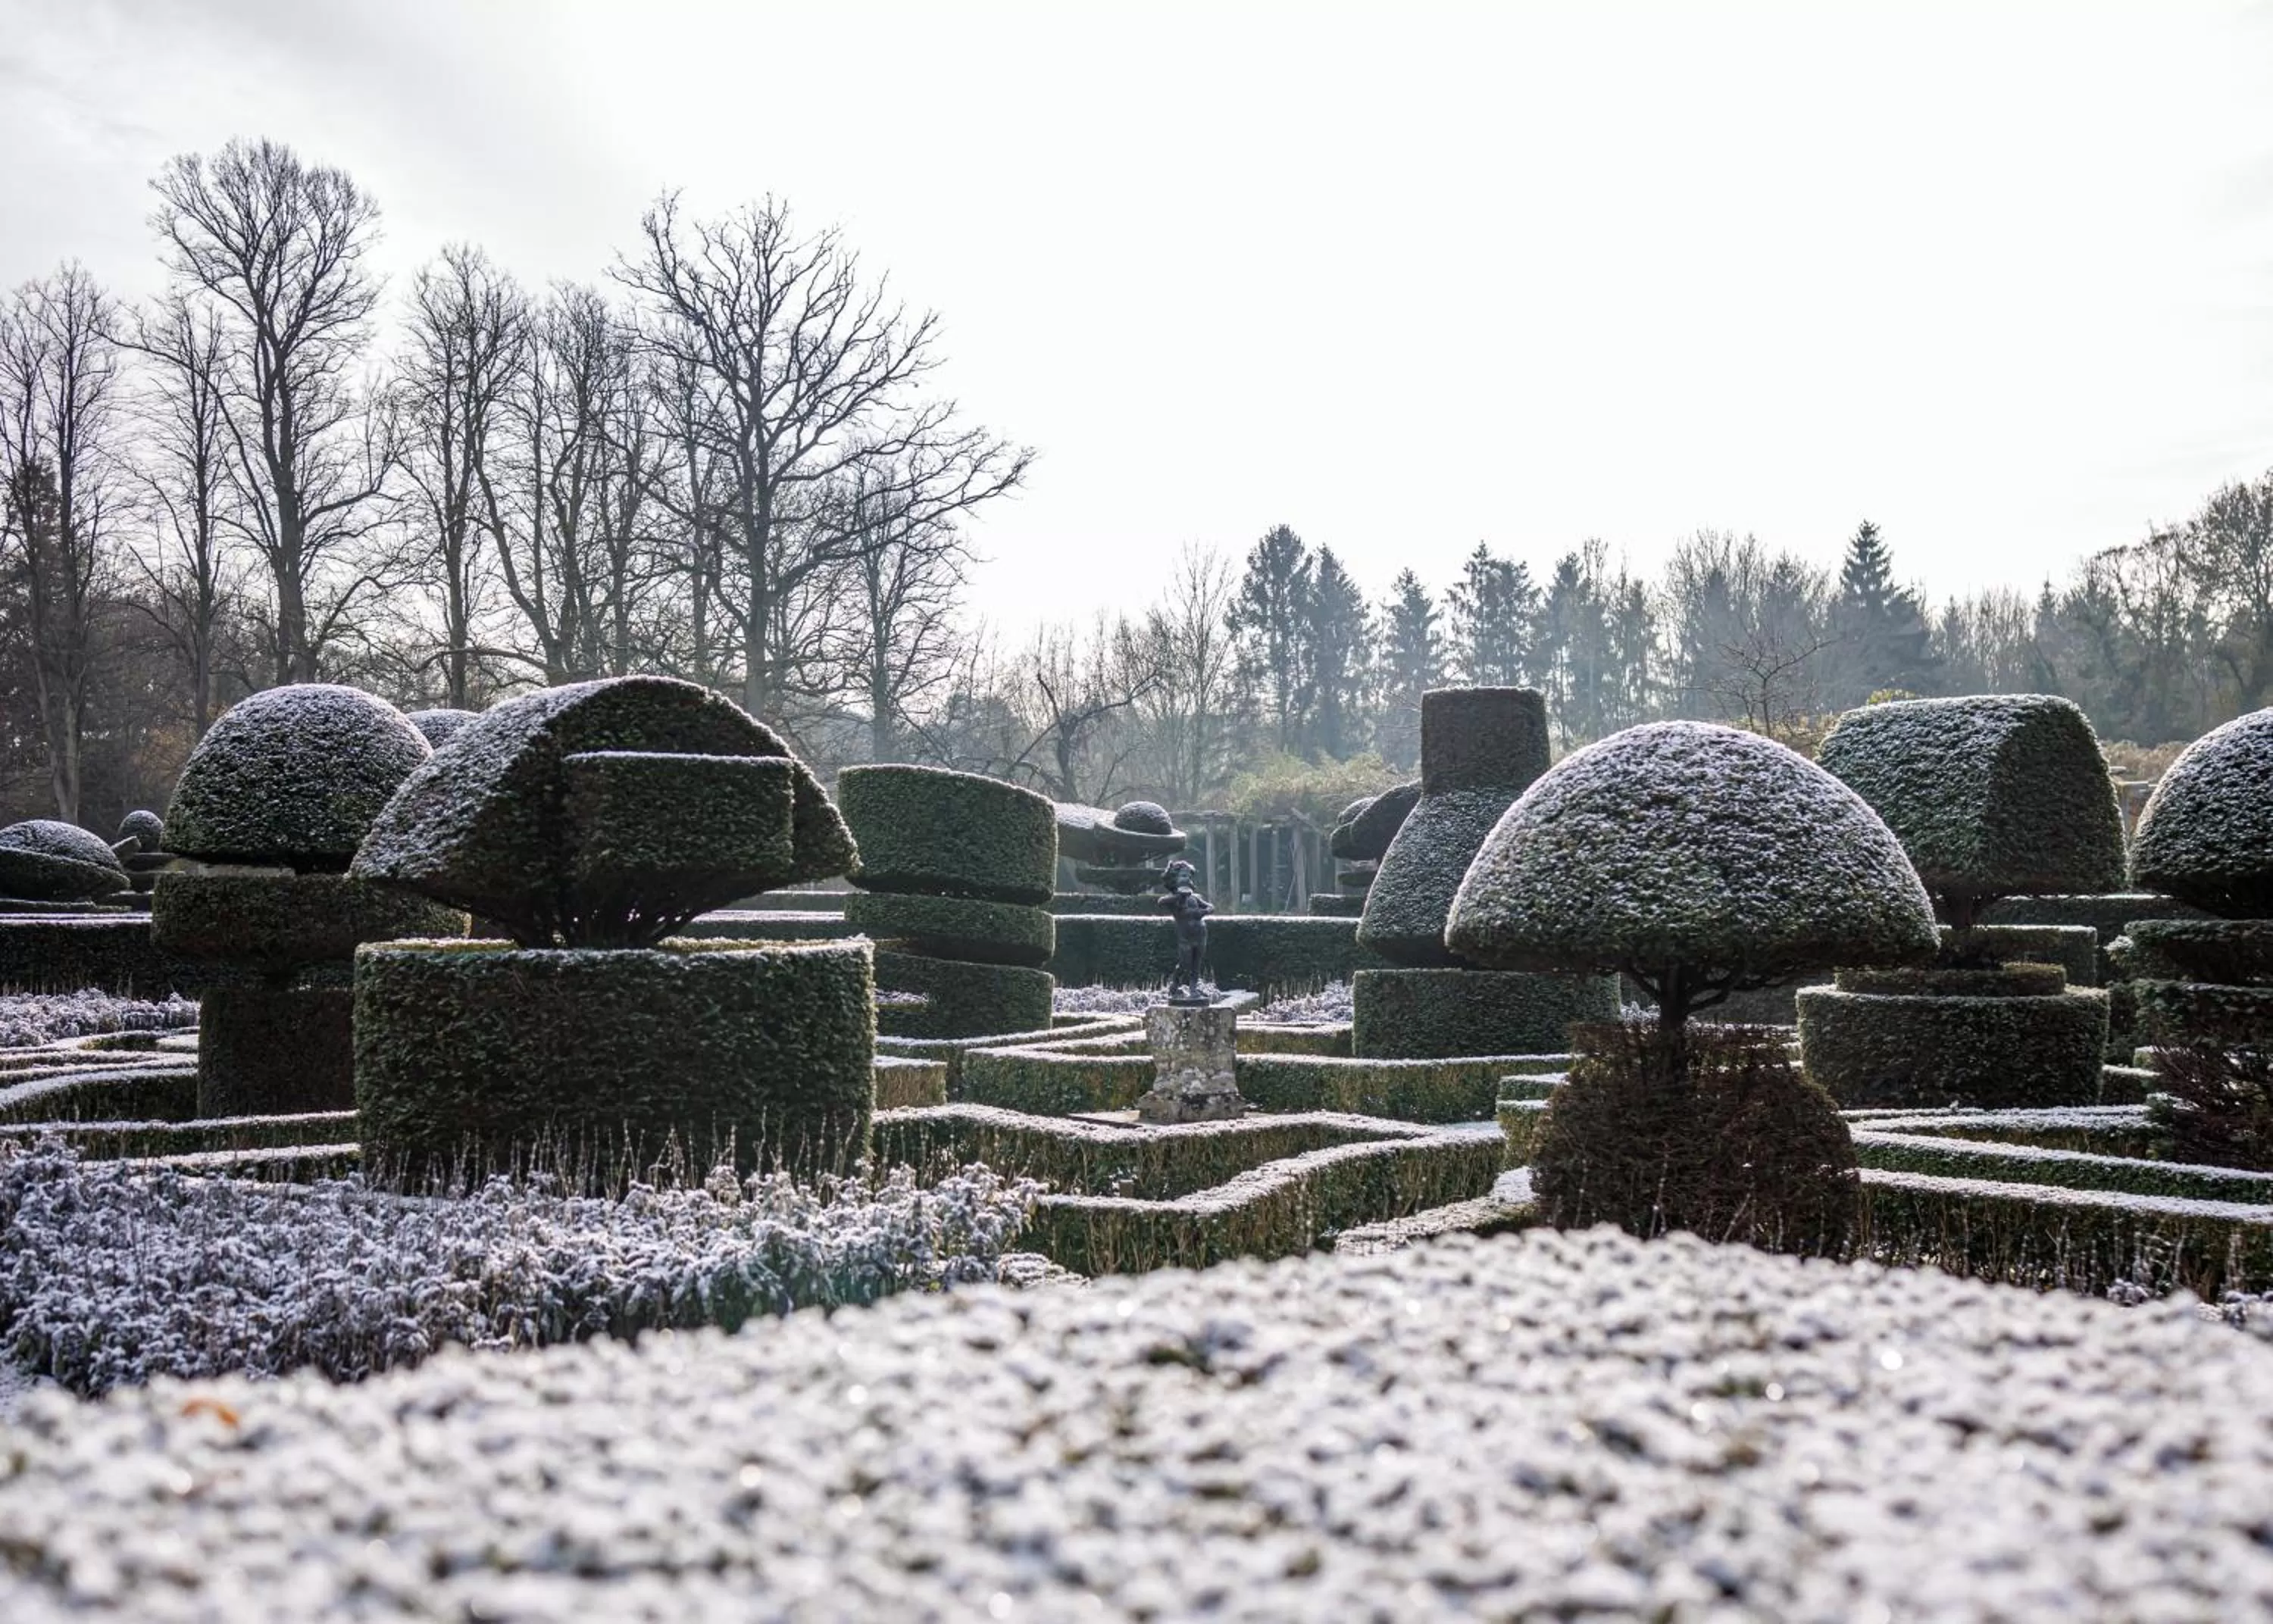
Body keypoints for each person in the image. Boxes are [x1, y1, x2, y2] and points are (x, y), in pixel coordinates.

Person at [1157, 859, 1213, 1003]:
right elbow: (1161, 902)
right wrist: (1179, 896)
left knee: (1197, 963)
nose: (1186, 879)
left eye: (1188, 876)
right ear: (1174, 879)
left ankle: (1194, 989)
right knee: (1184, 963)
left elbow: (1211, 907)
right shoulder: (1174, 900)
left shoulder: (1196, 898)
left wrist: (1202, 912)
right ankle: (1175, 985)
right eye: (1183, 876)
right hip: (1185, 937)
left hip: (1201, 934)